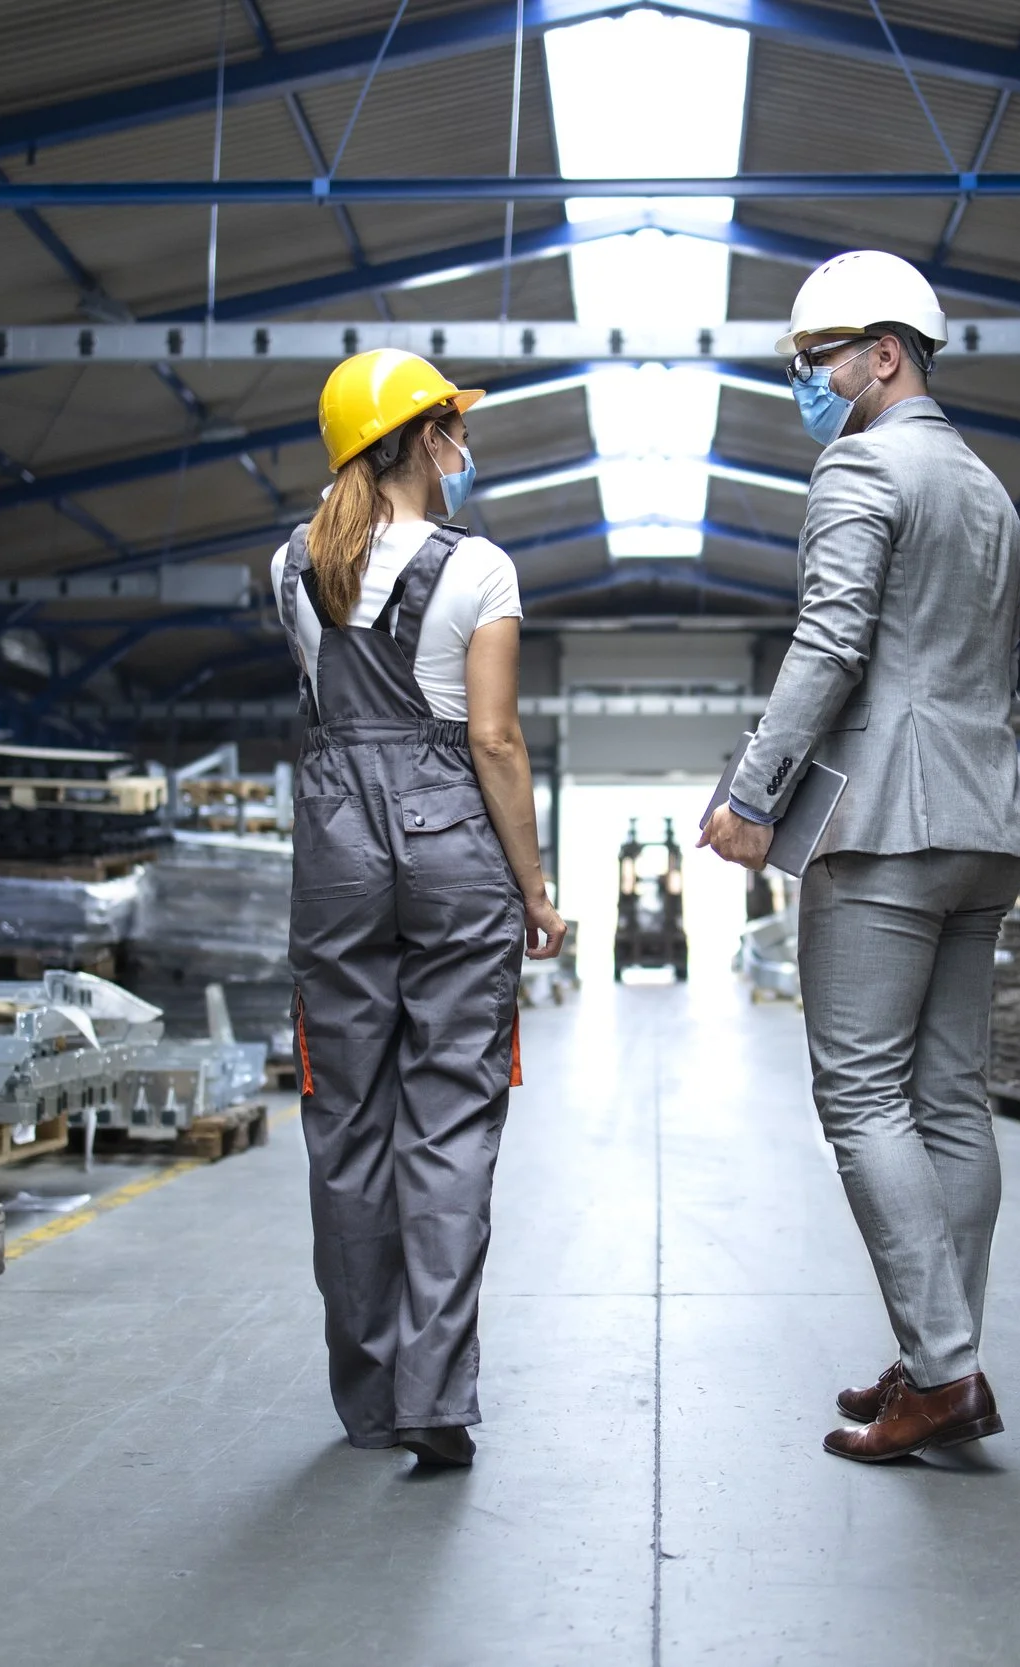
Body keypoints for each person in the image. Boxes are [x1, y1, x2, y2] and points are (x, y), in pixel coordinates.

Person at [697, 250, 1020, 1463]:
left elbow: (828, 646)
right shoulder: (987, 490)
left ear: (884, 353)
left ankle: (942, 1369)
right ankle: (945, 1355)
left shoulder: (858, 465)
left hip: (885, 825)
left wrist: (750, 795)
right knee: (949, 1097)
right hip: (984, 823)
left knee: (861, 1092)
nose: (807, 382)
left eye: (817, 358)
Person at [274, 348, 567, 1469]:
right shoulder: (480, 567)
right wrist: (533, 890)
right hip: (452, 847)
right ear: (422, 441)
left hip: (337, 844)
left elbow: (322, 701)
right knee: (446, 1117)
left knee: (345, 1118)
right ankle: (435, 1393)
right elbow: (492, 737)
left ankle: (368, 1399)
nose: (463, 447)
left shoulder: (287, 563)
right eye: (452, 429)